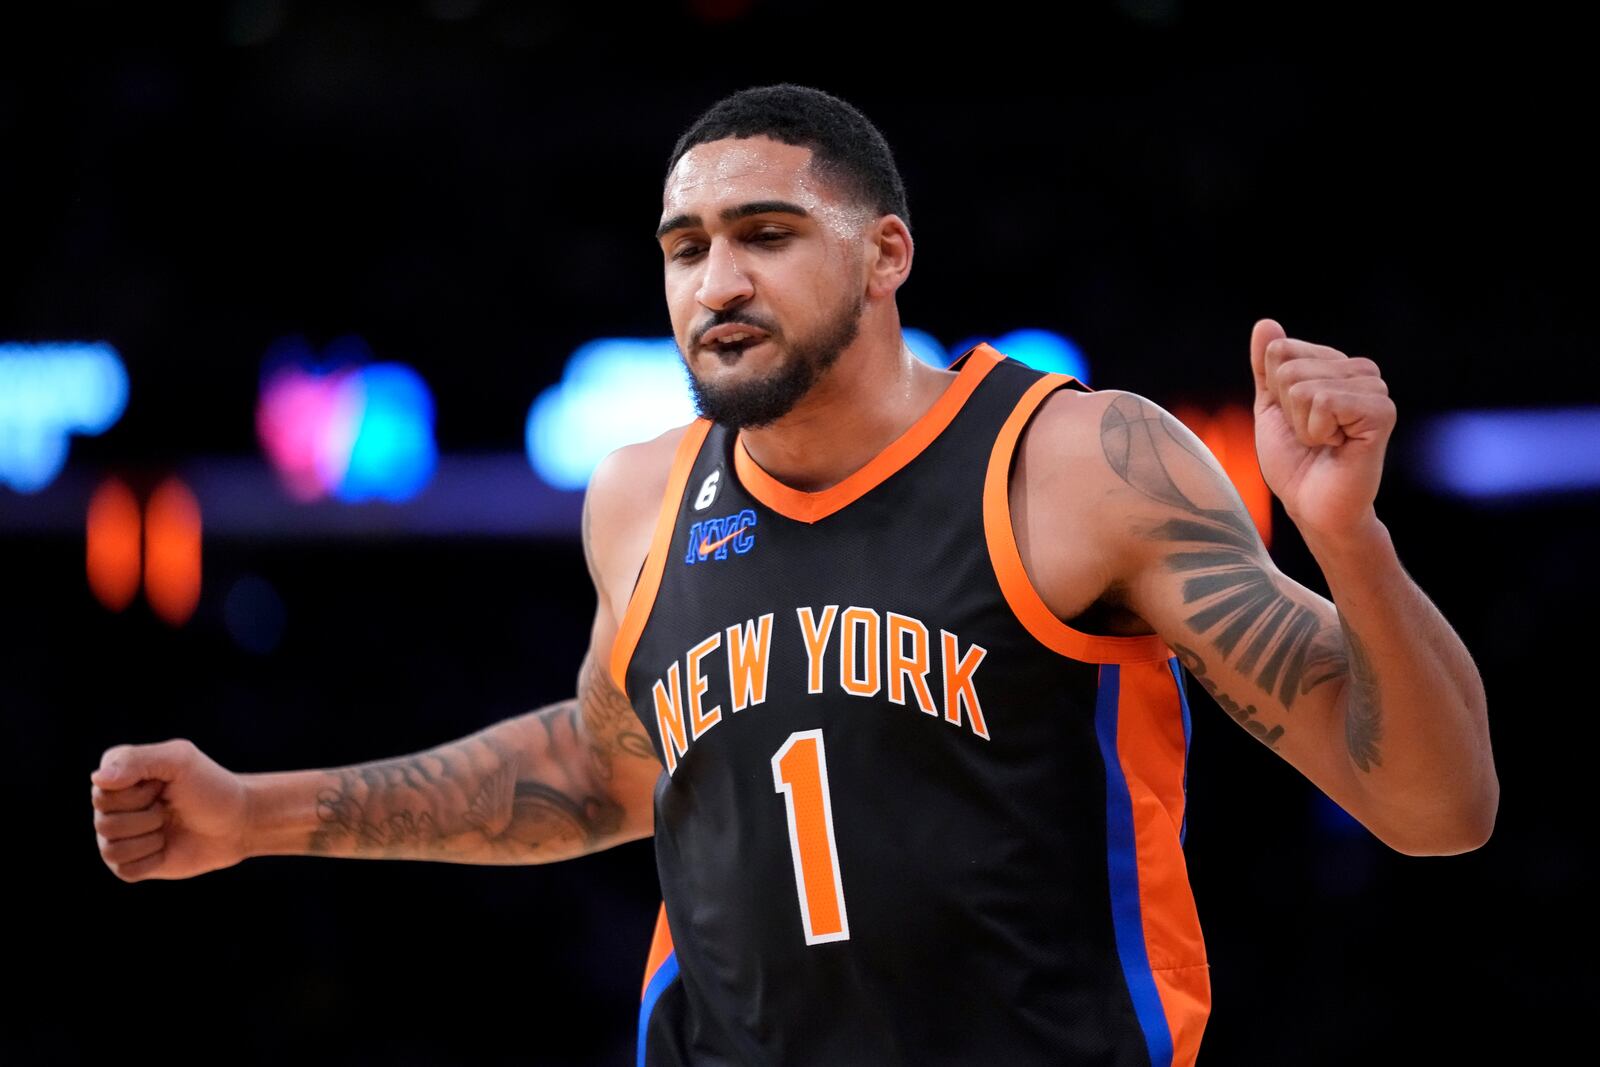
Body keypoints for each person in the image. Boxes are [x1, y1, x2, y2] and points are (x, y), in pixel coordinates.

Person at [90, 84, 1498, 1066]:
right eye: (685, 249)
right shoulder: (640, 498)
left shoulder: (1075, 465)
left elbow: (1439, 809)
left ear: (887, 254)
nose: (716, 283)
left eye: (766, 234)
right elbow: (603, 773)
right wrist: (250, 812)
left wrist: (1347, 540)